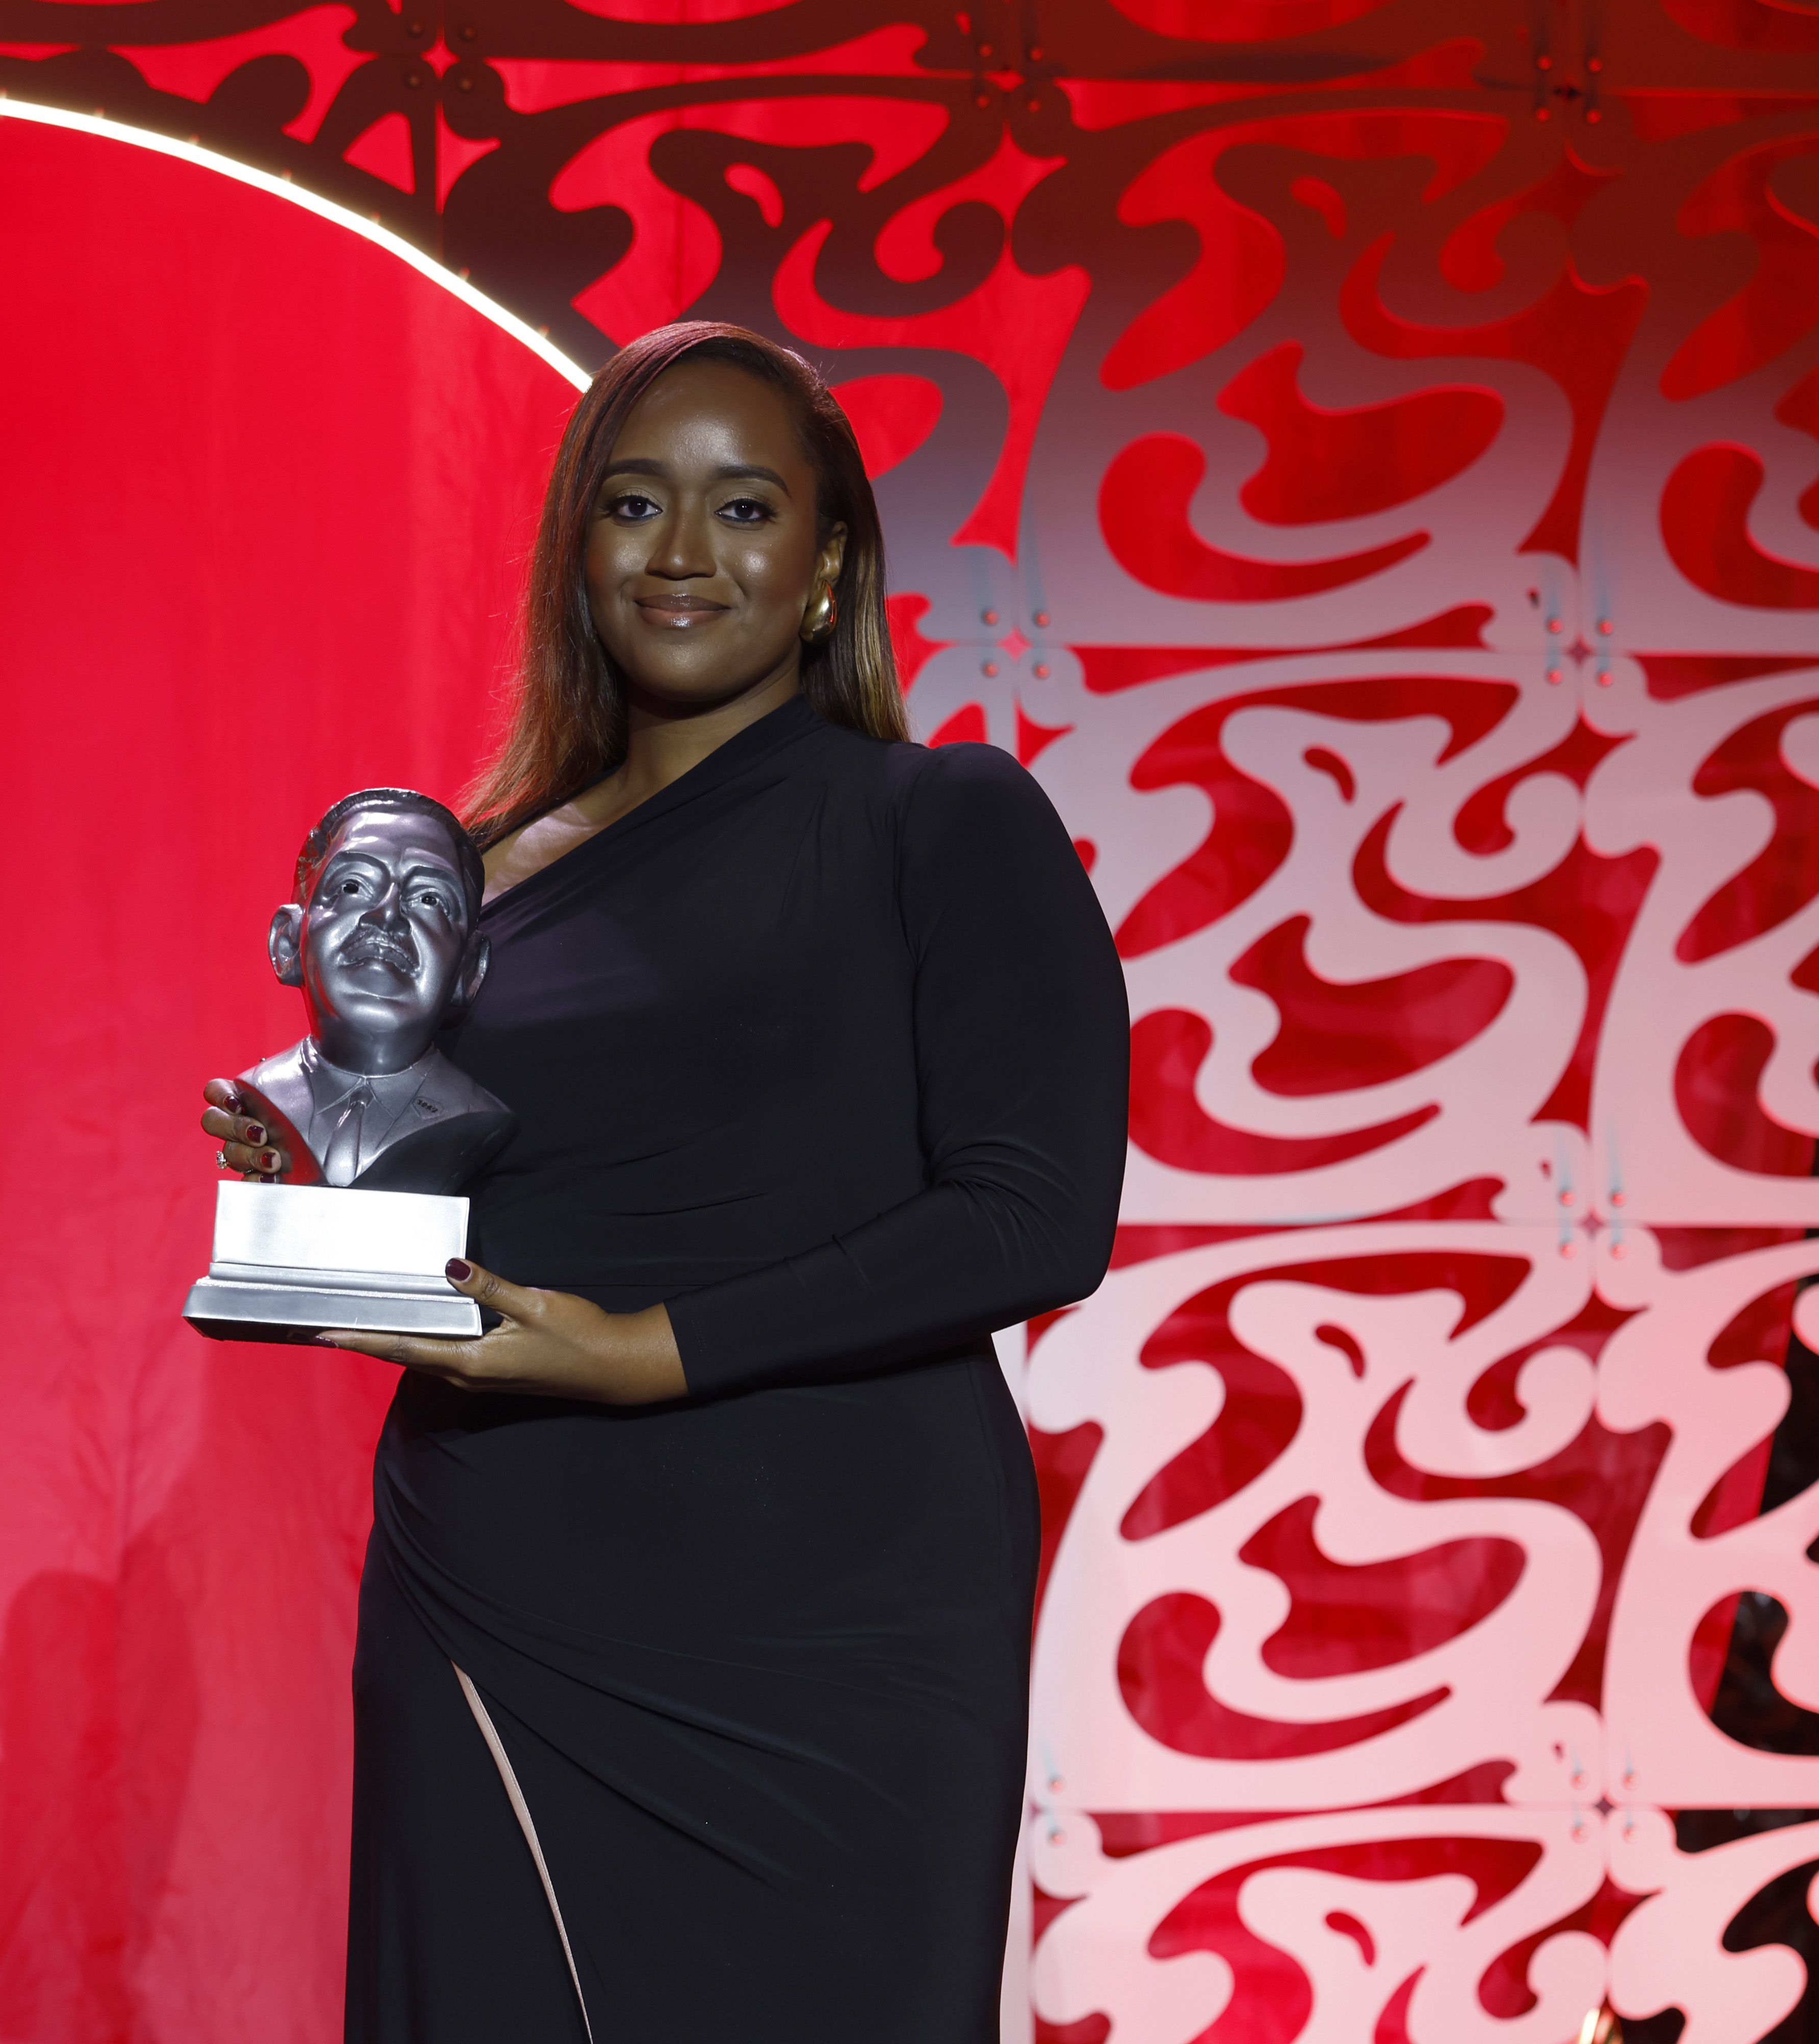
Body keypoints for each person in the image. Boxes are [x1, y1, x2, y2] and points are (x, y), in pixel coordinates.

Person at [198, 321, 1127, 2042]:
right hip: (508, 1577)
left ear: (832, 551)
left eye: (746, 506)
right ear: (577, 544)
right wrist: (328, 1200)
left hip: (837, 1612)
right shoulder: (465, 871)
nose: (687, 554)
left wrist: (648, 1348)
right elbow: (505, 1201)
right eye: (636, 504)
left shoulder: (941, 821)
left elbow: (1033, 1215)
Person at [229, 788, 515, 1194]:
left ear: (468, 970)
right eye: (352, 887)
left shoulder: (479, 1115)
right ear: (288, 942)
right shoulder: (259, 1092)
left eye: (430, 899)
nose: (387, 917)